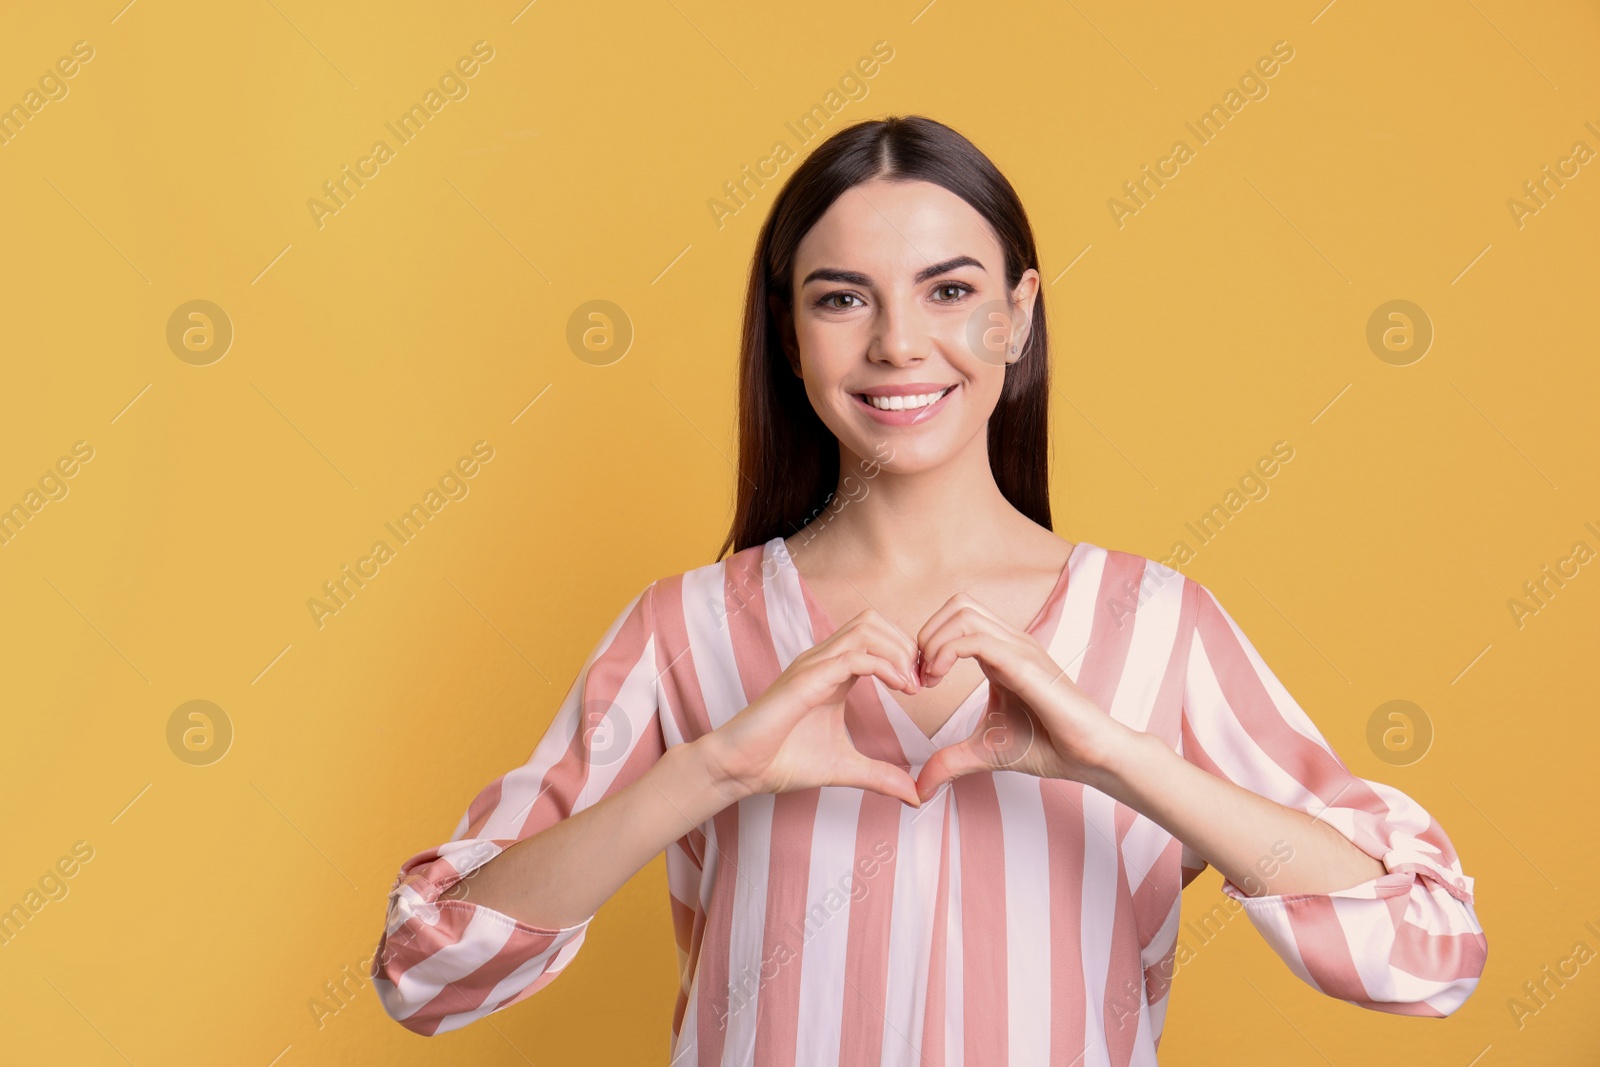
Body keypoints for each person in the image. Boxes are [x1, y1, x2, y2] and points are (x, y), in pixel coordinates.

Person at [370, 115, 1486, 1064]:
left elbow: (1426, 949)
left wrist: (1122, 760)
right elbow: (427, 968)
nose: (900, 344)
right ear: (788, 332)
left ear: (1017, 312)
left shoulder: (1157, 627)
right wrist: (709, 770)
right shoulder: (686, 629)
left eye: (949, 290)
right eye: (841, 298)